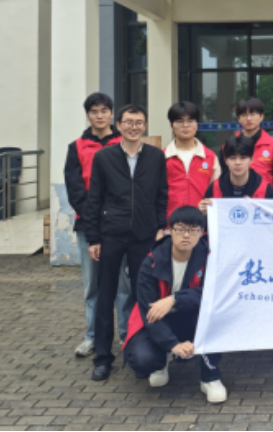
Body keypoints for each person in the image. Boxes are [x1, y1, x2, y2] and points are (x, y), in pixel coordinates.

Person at [84, 104, 169, 381]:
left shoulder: (155, 156)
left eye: (139, 122)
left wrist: (160, 227)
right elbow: (94, 198)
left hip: (144, 235)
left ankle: (143, 347)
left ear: (145, 125)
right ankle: (102, 357)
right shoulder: (104, 157)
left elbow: (162, 194)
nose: (134, 127)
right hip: (111, 235)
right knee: (105, 295)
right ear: (118, 125)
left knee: (143, 294)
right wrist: (93, 237)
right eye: (129, 122)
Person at [123, 205, 226, 403]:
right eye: (180, 229)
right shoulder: (151, 262)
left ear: (201, 233)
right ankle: (162, 360)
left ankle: (210, 377)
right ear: (170, 231)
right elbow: (148, 309)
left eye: (193, 230)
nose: (186, 235)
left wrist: (174, 299)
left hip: (193, 316)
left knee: (217, 318)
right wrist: (173, 344)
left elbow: (213, 294)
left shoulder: (210, 258)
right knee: (142, 360)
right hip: (158, 320)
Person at [63, 92, 131, 358]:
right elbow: (75, 190)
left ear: (112, 114)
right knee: (92, 285)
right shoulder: (76, 147)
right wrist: (93, 219)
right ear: (87, 115)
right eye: (94, 111)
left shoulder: (124, 142)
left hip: (120, 225)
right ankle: (92, 336)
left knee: (123, 285)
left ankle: (126, 334)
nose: (100, 116)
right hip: (89, 226)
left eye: (104, 111)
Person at [165, 102, 220, 224]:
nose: (185, 125)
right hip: (170, 227)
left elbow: (217, 192)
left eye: (190, 121)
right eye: (179, 121)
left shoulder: (210, 157)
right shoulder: (162, 157)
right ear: (172, 126)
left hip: (201, 226)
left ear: (197, 124)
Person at [232, 97, 273, 199]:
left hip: (266, 201)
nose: (249, 118)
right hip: (237, 202)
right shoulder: (230, 146)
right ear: (238, 119)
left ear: (261, 117)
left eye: (252, 114)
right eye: (244, 115)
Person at [201, 135, 273, 202]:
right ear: (225, 160)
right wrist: (203, 211)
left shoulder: (265, 189)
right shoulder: (214, 188)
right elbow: (207, 213)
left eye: (243, 158)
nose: (237, 162)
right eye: (232, 158)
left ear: (251, 160)